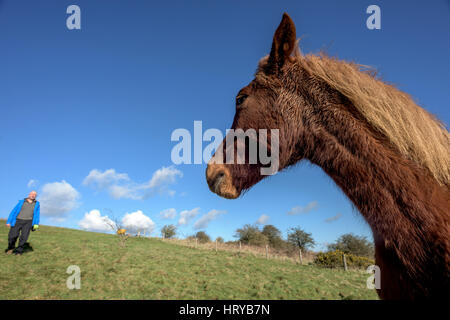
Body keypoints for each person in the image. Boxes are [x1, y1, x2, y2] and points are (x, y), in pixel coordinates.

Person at [5, 191, 40, 255]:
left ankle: (19, 251)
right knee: (12, 236)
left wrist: (36, 224)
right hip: (17, 220)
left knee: (24, 237)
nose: (33, 195)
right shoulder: (21, 202)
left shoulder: (37, 204)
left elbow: (37, 214)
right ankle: (11, 248)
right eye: (32, 194)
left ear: (36, 196)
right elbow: (13, 211)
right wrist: (8, 221)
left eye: (34, 194)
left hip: (28, 222)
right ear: (29, 195)